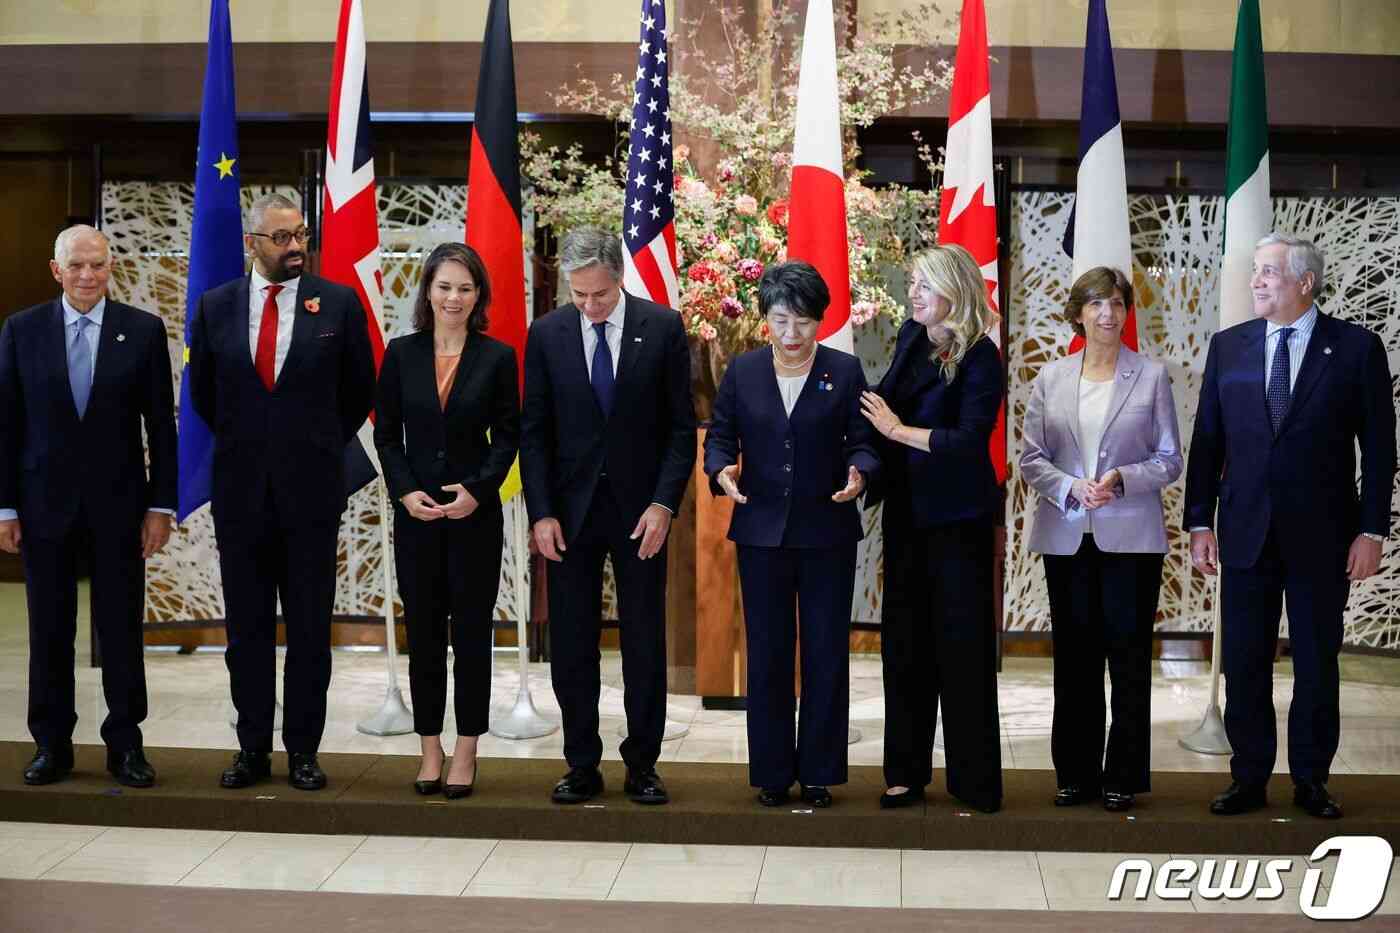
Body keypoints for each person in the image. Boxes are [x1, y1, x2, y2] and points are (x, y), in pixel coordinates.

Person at [1185, 233, 1394, 820]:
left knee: (1316, 663)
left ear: (1305, 282)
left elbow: (1380, 450)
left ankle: (1311, 780)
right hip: (1245, 532)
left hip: (1324, 538)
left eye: (1269, 272)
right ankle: (1248, 777)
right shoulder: (1229, 347)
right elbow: (1208, 442)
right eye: (1255, 270)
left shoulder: (1356, 348)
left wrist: (1372, 531)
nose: (1256, 280)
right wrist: (1199, 521)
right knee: (1244, 662)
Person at [187, 193, 375, 791]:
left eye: (301, 235)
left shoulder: (338, 304)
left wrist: (309, 446)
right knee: (246, 631)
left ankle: (303, 751)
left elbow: (358, 392)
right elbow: (204, 396)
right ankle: (251, 748)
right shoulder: (216, 306)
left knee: (310, 629)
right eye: (281, 238)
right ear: (253, 243)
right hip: (241, 494)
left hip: (312, 493)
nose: (296, 246)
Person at [520, 228, 695, 806]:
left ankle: (643, 764)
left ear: (619, 278)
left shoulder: (662, 328)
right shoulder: (547, 334)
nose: (590, 305)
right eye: (579, 295)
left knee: (644, 639)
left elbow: (680, 431)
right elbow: (534, 433)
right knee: (573, 643)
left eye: (599, 294)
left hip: (641, 512)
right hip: (569, 516)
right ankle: (581, 762)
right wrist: (542, 512)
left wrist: (664, 504)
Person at [0, 225, 177, 788]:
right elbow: (6, 426)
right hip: (42, 508)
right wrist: (5, 508)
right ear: (56, 270)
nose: (87, 275)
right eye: (76, 265)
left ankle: (126, 745)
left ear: (111, 267)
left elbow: (161, 427)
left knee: (121, 631)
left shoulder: (142, 330)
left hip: (120, 508)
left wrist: (161, 506)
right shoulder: (21, 330)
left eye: (97, 265)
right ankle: (51, 745)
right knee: (50, 631)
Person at [703, 261, 878, 808]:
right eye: (781, 320)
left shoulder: (844, 371)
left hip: (826, 531)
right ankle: (773, 773)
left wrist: (860, 472)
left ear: (820, 321)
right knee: (768, 653)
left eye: (803, 321)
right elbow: (720, 436)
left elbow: (863, 440)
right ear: (766, 319)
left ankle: (820, 771)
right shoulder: (744, 371)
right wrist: (721, 470)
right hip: (761, 533)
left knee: (826, 653)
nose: (792, 333)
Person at [1019, 266, 1183, 812]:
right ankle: (1075, 773)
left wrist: (1122, 478)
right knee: (1074, 661)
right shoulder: (1051, 378)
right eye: (1096, 304)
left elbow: (1169, 459)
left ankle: (1123, 776)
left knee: (1128, 660)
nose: (1107, 314)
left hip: (1131, 538)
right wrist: (1070, 487)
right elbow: (1031, 459)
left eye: (1115, 303)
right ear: (1078, 314)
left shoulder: (1151, 376)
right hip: (1067, 535)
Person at [860, 243, 1004, 813]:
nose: (913, 293)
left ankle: (973, 781)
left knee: (963, 649)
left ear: (954, 290)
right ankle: (904, 773)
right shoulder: (911, 337)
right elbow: (882, 402)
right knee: (905, 647)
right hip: (907, 514)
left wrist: (898, 432)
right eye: (913, 283)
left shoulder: (981, 356)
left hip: (959, 521)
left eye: (923, 284)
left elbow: (968, 442)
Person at [374, 243, 519, 799]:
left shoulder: (497, 357)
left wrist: (478, 492)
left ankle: (467, 748)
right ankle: (430, 747)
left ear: (478, 295)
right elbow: (387, 436)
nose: (453, 297)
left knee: (473, 634)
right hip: (416, 517)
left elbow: (508, 436)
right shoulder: (401, 353)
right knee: (426, 633)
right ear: (428, 291)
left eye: (464, 288)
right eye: (444, 287)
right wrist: (405, 491)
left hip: (473, 517)